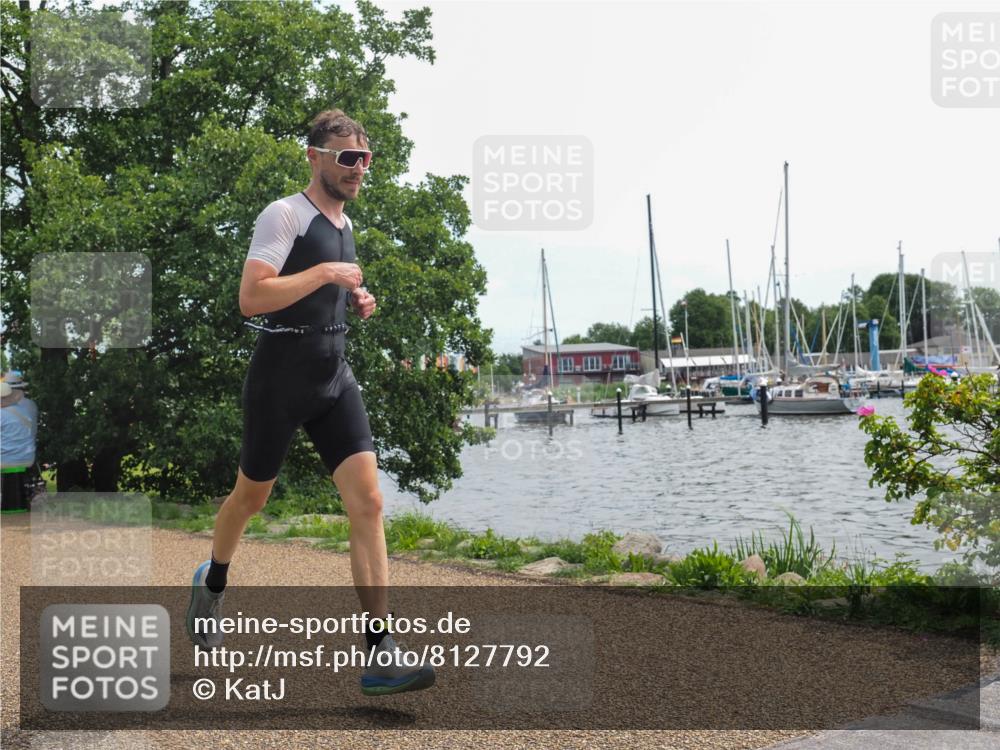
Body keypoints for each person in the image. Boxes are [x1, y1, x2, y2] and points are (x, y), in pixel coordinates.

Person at [185, 109, 435, 696]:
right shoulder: (285, 214)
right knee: (252, 497)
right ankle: (213, 579)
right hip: (279, 380)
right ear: (314, 157)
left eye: (365, 158)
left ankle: (380, 649)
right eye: (347, 158)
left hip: (333, 378)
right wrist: (325, 272)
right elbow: (252, 297)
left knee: (369, 502)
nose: (358, 168)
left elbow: (324, 295)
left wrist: (355, 296)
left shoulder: (345, 224)